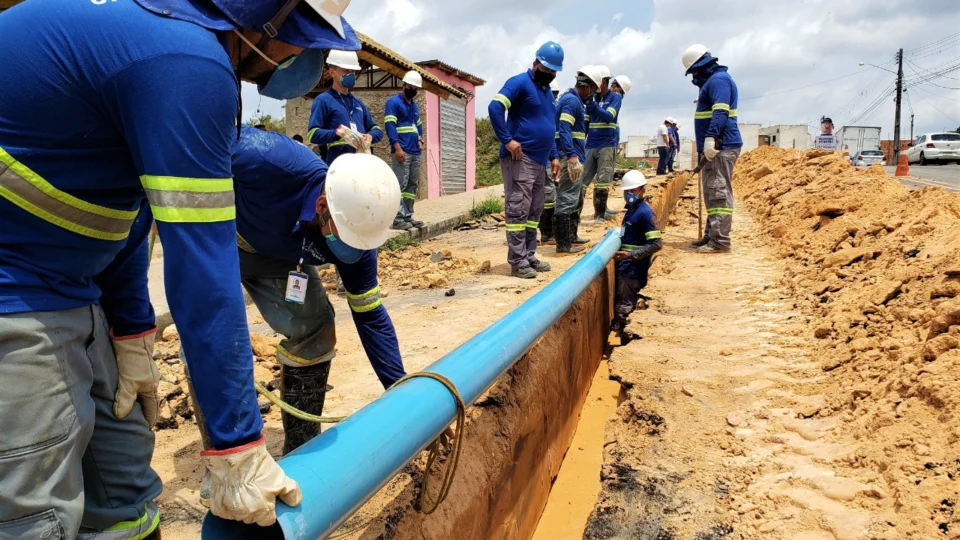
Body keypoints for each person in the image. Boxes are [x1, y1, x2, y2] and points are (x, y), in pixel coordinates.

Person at [0, 0, 359, 535]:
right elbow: (202, 268)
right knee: (36, 517)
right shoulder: (186, 64)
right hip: (19, 286)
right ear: (266, 17)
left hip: (71, 284)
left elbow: (128, 206)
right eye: (310, 39)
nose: (311, 58)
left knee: (125, 493)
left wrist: (130, 328)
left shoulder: (167, 45)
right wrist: (236, 443)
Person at [192, 126, 406, 503]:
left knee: (316, 327)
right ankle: (223, 465)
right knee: (214, 339)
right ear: (322, 206)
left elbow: (369, 315)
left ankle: (299, 452)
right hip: (215, 235)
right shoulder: (267, 159)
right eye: (342, 238)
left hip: (276, 257)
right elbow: (194, 146)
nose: (351, 254)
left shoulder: (357, 234)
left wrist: (404, 394)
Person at [488, 41, 564, 279]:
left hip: (540, 161)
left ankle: (529, 254)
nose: (549, 73)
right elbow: (495, 107)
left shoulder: (546, 95)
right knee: (518, 210)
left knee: (534, 210)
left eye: (554, 71)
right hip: (520, 159)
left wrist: (554, 156)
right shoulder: (519, 83)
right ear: (535, 63)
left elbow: (548, 127)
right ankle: (517, 260)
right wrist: (507, 139)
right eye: (547, 68)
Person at [683, 44, 743, 253]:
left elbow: (720, 113)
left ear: (701, 66)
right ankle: (711, 235)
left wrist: (711, 137)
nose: (694, 77)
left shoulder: (718, 80)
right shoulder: (713, 81)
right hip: (714, 146)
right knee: (712, 192)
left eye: (694, 72)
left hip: (720, 145)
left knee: (718, 192)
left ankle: (720, 241)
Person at [554, 66, 602, 255]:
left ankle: (571, 237)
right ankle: (563, 245)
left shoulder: (572, 101)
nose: (593, 95)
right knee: (566, 198)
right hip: (570, 156)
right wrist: (572, 157)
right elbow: (564, 128)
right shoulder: (572, 102)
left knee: (574, 197)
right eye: (594, 90)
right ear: (588, 87)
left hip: (573, 155)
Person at [307, 49, 384, 164]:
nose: (350, 74)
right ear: (332, 72)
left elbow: (377, 130)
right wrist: (337, 133)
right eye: (345, 70)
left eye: (352, 71)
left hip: (362, 163)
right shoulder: (323, 100)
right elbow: (313, 134)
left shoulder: (358, 103)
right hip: (337, 165)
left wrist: (370, 136)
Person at [611, 171, 661, 343]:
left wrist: (630, 255)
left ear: (642, 190)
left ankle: (626, 342)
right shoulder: (632, 210)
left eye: (633, 190)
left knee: (625, 306)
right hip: (625, 267)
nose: (629, 194)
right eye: (626, 191)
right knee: (622, 303)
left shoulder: (645, 214)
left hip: (633, 270)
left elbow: (656, 244)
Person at [581, 64, 623, 224]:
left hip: (606, 144)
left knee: (603, 179)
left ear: (604, 82)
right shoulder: (593, 100)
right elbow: (586, 122)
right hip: (591, 145)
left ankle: (600, 214)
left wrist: (593, 105)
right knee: (583, 180)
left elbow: (609, 116)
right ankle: (576, 213)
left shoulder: (615, 97)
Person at [385, 71, 425, 230]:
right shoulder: (393, 103)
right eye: (411, 87)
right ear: (404, 85)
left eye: (416, 88)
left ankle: (407, 215)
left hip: (415, 151)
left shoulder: (414, 105)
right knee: (399, 184)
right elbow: (390, 126)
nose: (413, 90)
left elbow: (418, 124)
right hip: (402, 150)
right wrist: (397, 148)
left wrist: (420, 138)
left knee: (411, 185)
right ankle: (397, 218)